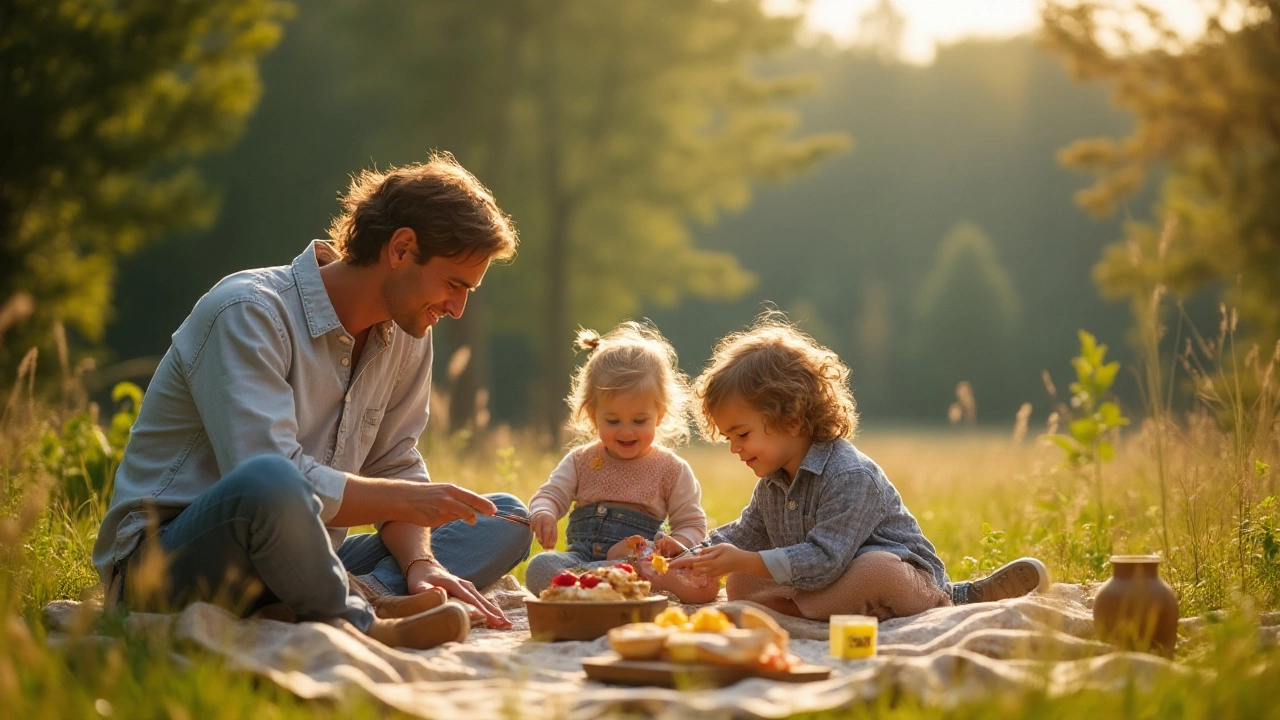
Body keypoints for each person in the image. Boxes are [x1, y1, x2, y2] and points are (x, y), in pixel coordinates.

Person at [93, 153, 534, 650]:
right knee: (270, 479)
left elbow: (395, 464)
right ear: (402, 248)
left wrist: (421, 564)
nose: (457, 308)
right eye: (454, 284)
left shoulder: (410, 333)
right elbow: (270, 480)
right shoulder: (248, 312)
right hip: (171, 562)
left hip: (304, 558)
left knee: (506, 518)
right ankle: (363, 622)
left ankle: (354, 596)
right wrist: (410, 500)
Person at [670, 312, 1049, 621]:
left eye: (742, 434)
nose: (734, 448)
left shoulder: (849, 475)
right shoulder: (772, 483)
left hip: (890, 574)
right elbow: (745, 533)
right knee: (738, 581)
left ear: (792, 419)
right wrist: (693, 554)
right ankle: (812, 609)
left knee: (874, 572)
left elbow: (825, 559)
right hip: (823, 584)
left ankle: (952, 596)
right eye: (728, 438)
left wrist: (752, 561)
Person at [524, 322, 718, 604]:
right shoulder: (581, 461)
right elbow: (551, 493)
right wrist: (543, 512)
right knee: (541, 567)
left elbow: (691, 523)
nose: (626, 431)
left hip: (642, 558)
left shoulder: (671, 469)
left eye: (639, 421)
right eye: (613, 421)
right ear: (593, 416)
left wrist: (679, 544)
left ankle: (619, 580)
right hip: (581, 559)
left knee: (682, 565)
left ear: (659, 415)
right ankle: (612, 578)